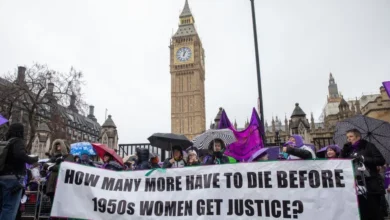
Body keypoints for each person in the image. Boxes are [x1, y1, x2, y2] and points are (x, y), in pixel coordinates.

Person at [339, 128, 385, 220]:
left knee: (374, 212)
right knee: (361, 212)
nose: (349, 139)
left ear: (358, 137)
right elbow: (340, 162)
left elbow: (381, 160)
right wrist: (343, 151)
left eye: (351, 136)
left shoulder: (368, 146)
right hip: (355, 186)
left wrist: (364, 159)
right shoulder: (348, 150)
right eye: (347, 137)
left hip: (370, 185)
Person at [0, 123, 38, 219]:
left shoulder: (7, 142)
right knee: (10, 207)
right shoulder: (18, 141)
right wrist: (32, 159)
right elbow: (19, 154)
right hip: (14, 179)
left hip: (2, 177)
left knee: (2, 206)